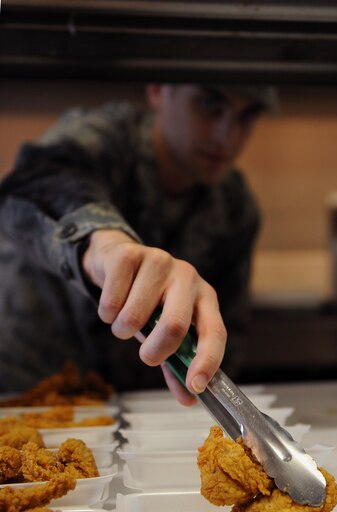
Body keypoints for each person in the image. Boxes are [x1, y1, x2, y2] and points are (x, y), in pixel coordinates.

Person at [0, 84, 277, 404]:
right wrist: (107, 245)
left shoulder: (236, 206)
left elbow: (222, 346)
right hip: (26, 393)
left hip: (141, 413)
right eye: (209, 105)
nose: (226, 136)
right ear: (158, 90)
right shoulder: (108, 139)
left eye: (247, 116)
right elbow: (35, 182)